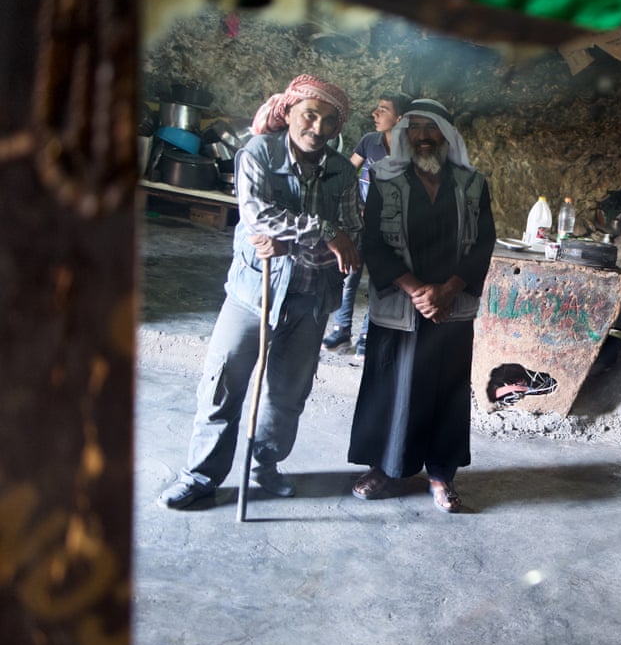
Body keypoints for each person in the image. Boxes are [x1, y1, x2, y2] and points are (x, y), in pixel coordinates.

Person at [158, 75, 362, 509]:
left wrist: (295, 242)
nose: (318, 128)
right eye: (310, 114)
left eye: (329, 121)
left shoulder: (343, 172)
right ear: (289, 111)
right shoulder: (257, 153)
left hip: (310, 301)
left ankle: (263, 467)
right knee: (222, 387)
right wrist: (324, 232)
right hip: (254, 294)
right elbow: (257, 216)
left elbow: (353, 241)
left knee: (287, 396)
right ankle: (200, 477)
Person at [347, 100, 496, 512]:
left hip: (451, 304)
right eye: (416, 129)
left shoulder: (473, 183)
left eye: (433, 129)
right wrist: (417, 290)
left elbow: (484, 243)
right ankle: (385, 466)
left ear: (448, 136)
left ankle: (440, 475)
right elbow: (372, 241)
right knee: (390, 385)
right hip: (400, 301)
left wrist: (448, 290)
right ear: (404, 134)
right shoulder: (383, 178)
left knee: (445, 391)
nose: (424, 136)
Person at [322, 91, 413, 358]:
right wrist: (350, 206)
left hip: (389, 228)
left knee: (380, 281)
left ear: (401, 118)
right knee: (348, 274)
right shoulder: (369, 141)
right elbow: (347, 174)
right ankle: (341, 332)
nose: (375, 114)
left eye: (383, 110)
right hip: (359, 222)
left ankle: (366, 334)